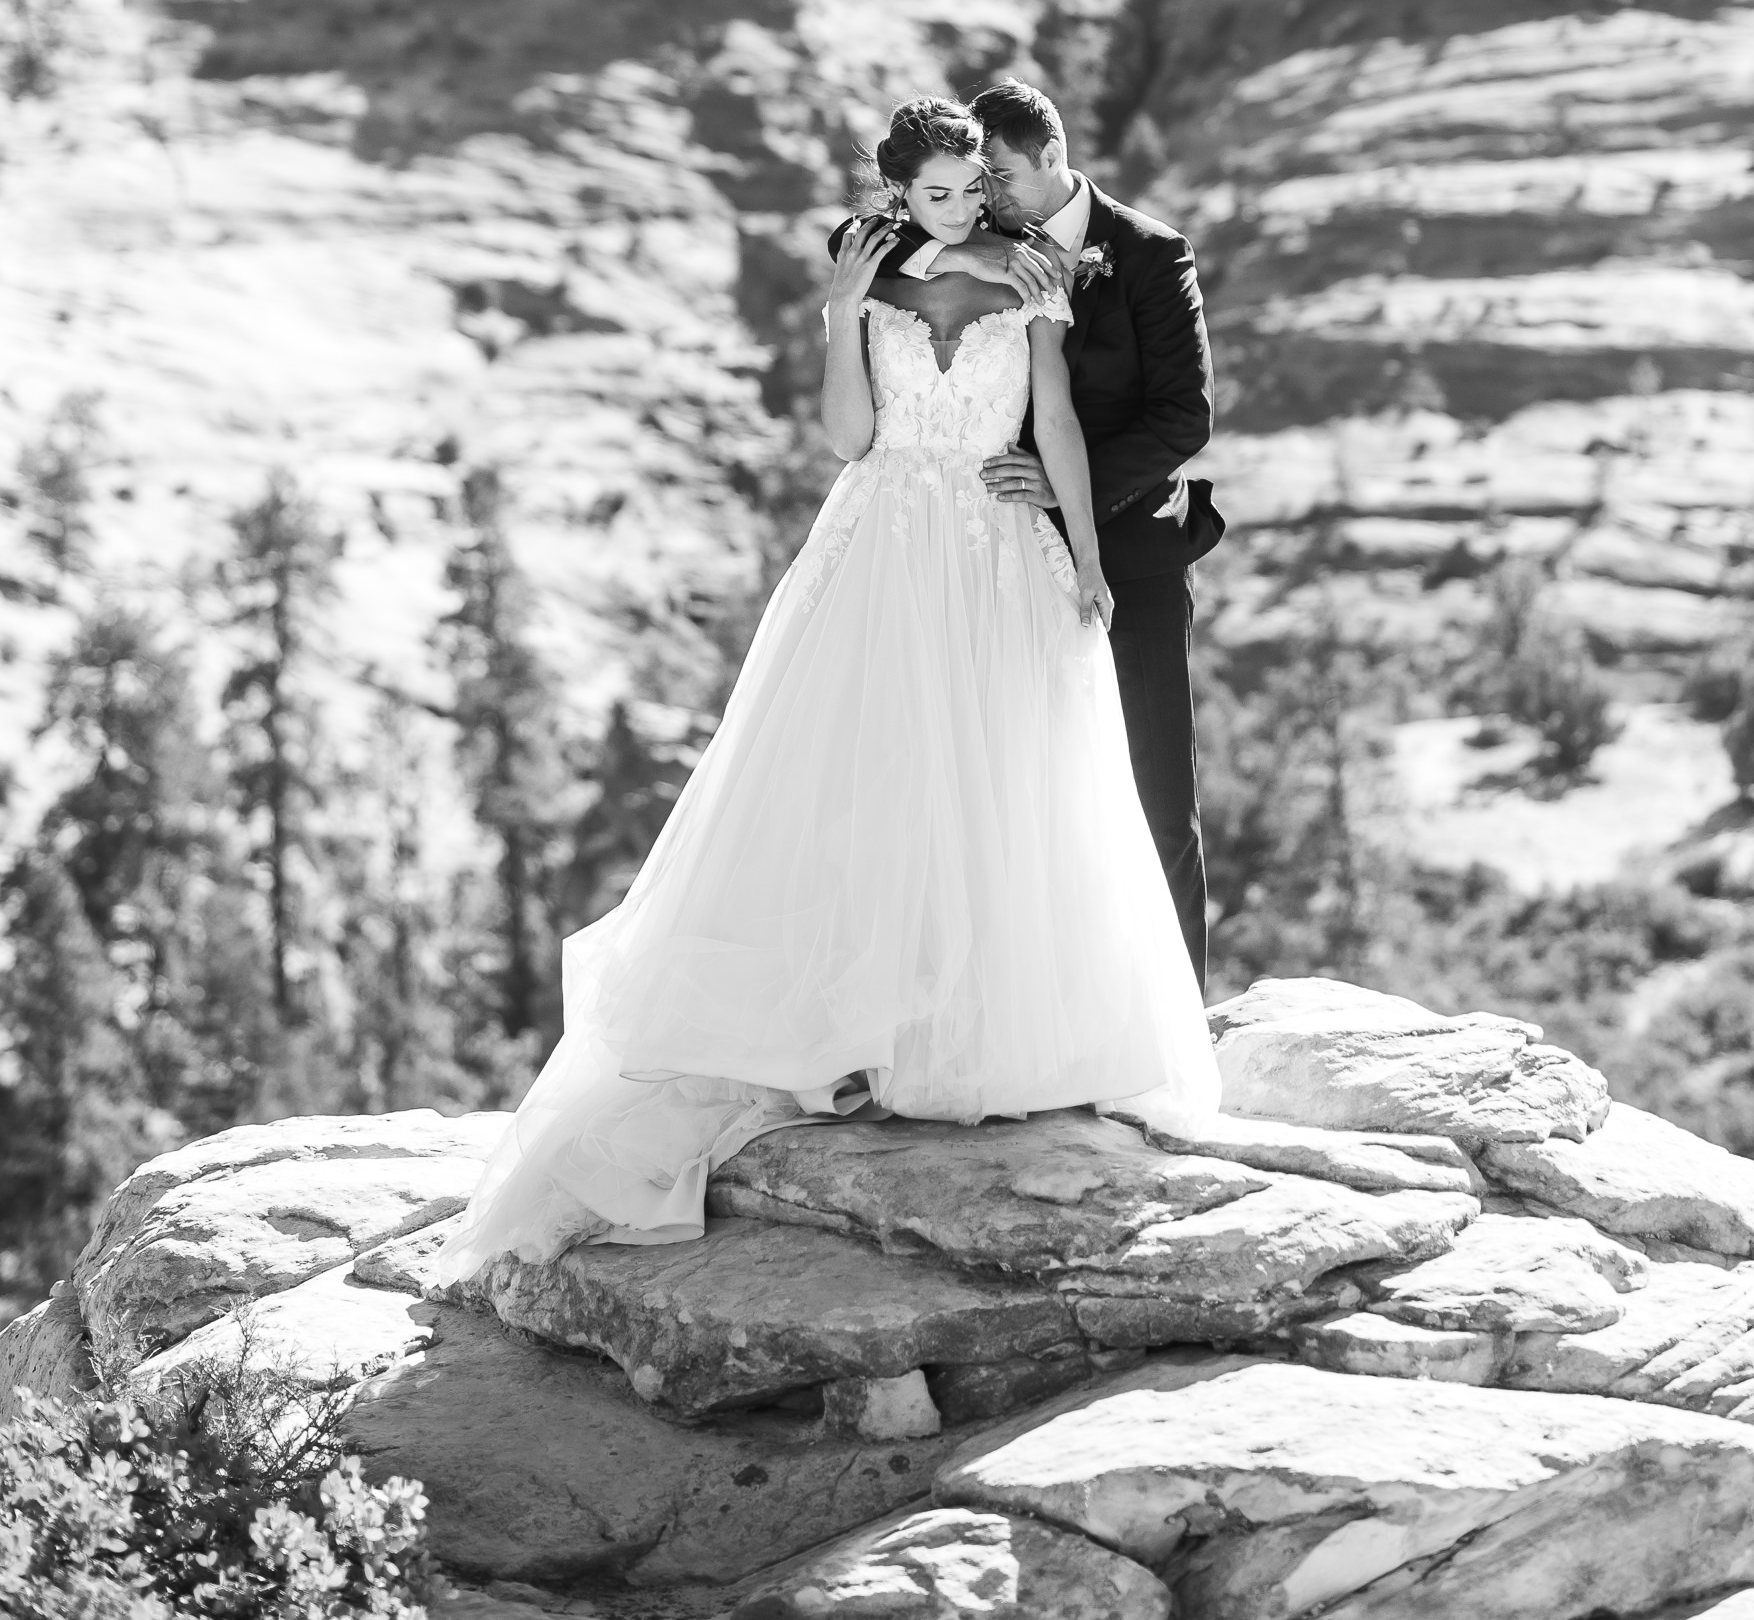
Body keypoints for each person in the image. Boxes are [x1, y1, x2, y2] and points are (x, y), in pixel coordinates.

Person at [436, 97, 1219, 1278]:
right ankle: (868, 1031)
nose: (970, 205)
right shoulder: (870, 276)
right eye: (946, 189)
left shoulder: (1041, 274)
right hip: (880, 537)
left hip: (1003, 538)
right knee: (867, 778)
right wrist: (841, 316)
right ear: (901, 192)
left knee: (1012, 780)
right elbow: (850, 436)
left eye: (980, 184)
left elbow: (1058, 417)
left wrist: (1088, 562)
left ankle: (1008, 1039)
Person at [866, 80, 1223, 983]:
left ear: (1052, 158)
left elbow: (1184, 419)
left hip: (1126, 551)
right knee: (1010, 796)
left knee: (1149, 797)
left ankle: (1174, 1019)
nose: (980, 200)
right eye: (965, 187)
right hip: (985, 557)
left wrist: (1065, 491)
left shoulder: (1148, 253)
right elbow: (856, 240)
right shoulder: (971, 236)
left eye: (998, 181)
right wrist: (982, 257)